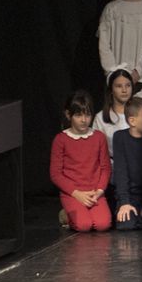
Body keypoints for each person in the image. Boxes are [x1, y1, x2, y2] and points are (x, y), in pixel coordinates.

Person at [52, 90, 112, 232]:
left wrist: (99, 191)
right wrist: (76, 193)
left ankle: (79, 213)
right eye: (78, 115)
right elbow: (56, 174)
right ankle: (67, 215)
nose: (84, 120)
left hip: (94, 193)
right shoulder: (61, 140)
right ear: (69, 115)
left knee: (103, 224)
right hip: (73, 193)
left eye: (87, 115)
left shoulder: (98, 137)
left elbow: (105, 168)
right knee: (84, 225)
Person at [111, 97, 142, 229]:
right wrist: (124, 202)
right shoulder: (120, 138)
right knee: (127, 224)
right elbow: (121, 172)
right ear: (132, 121)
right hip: (129, 195)